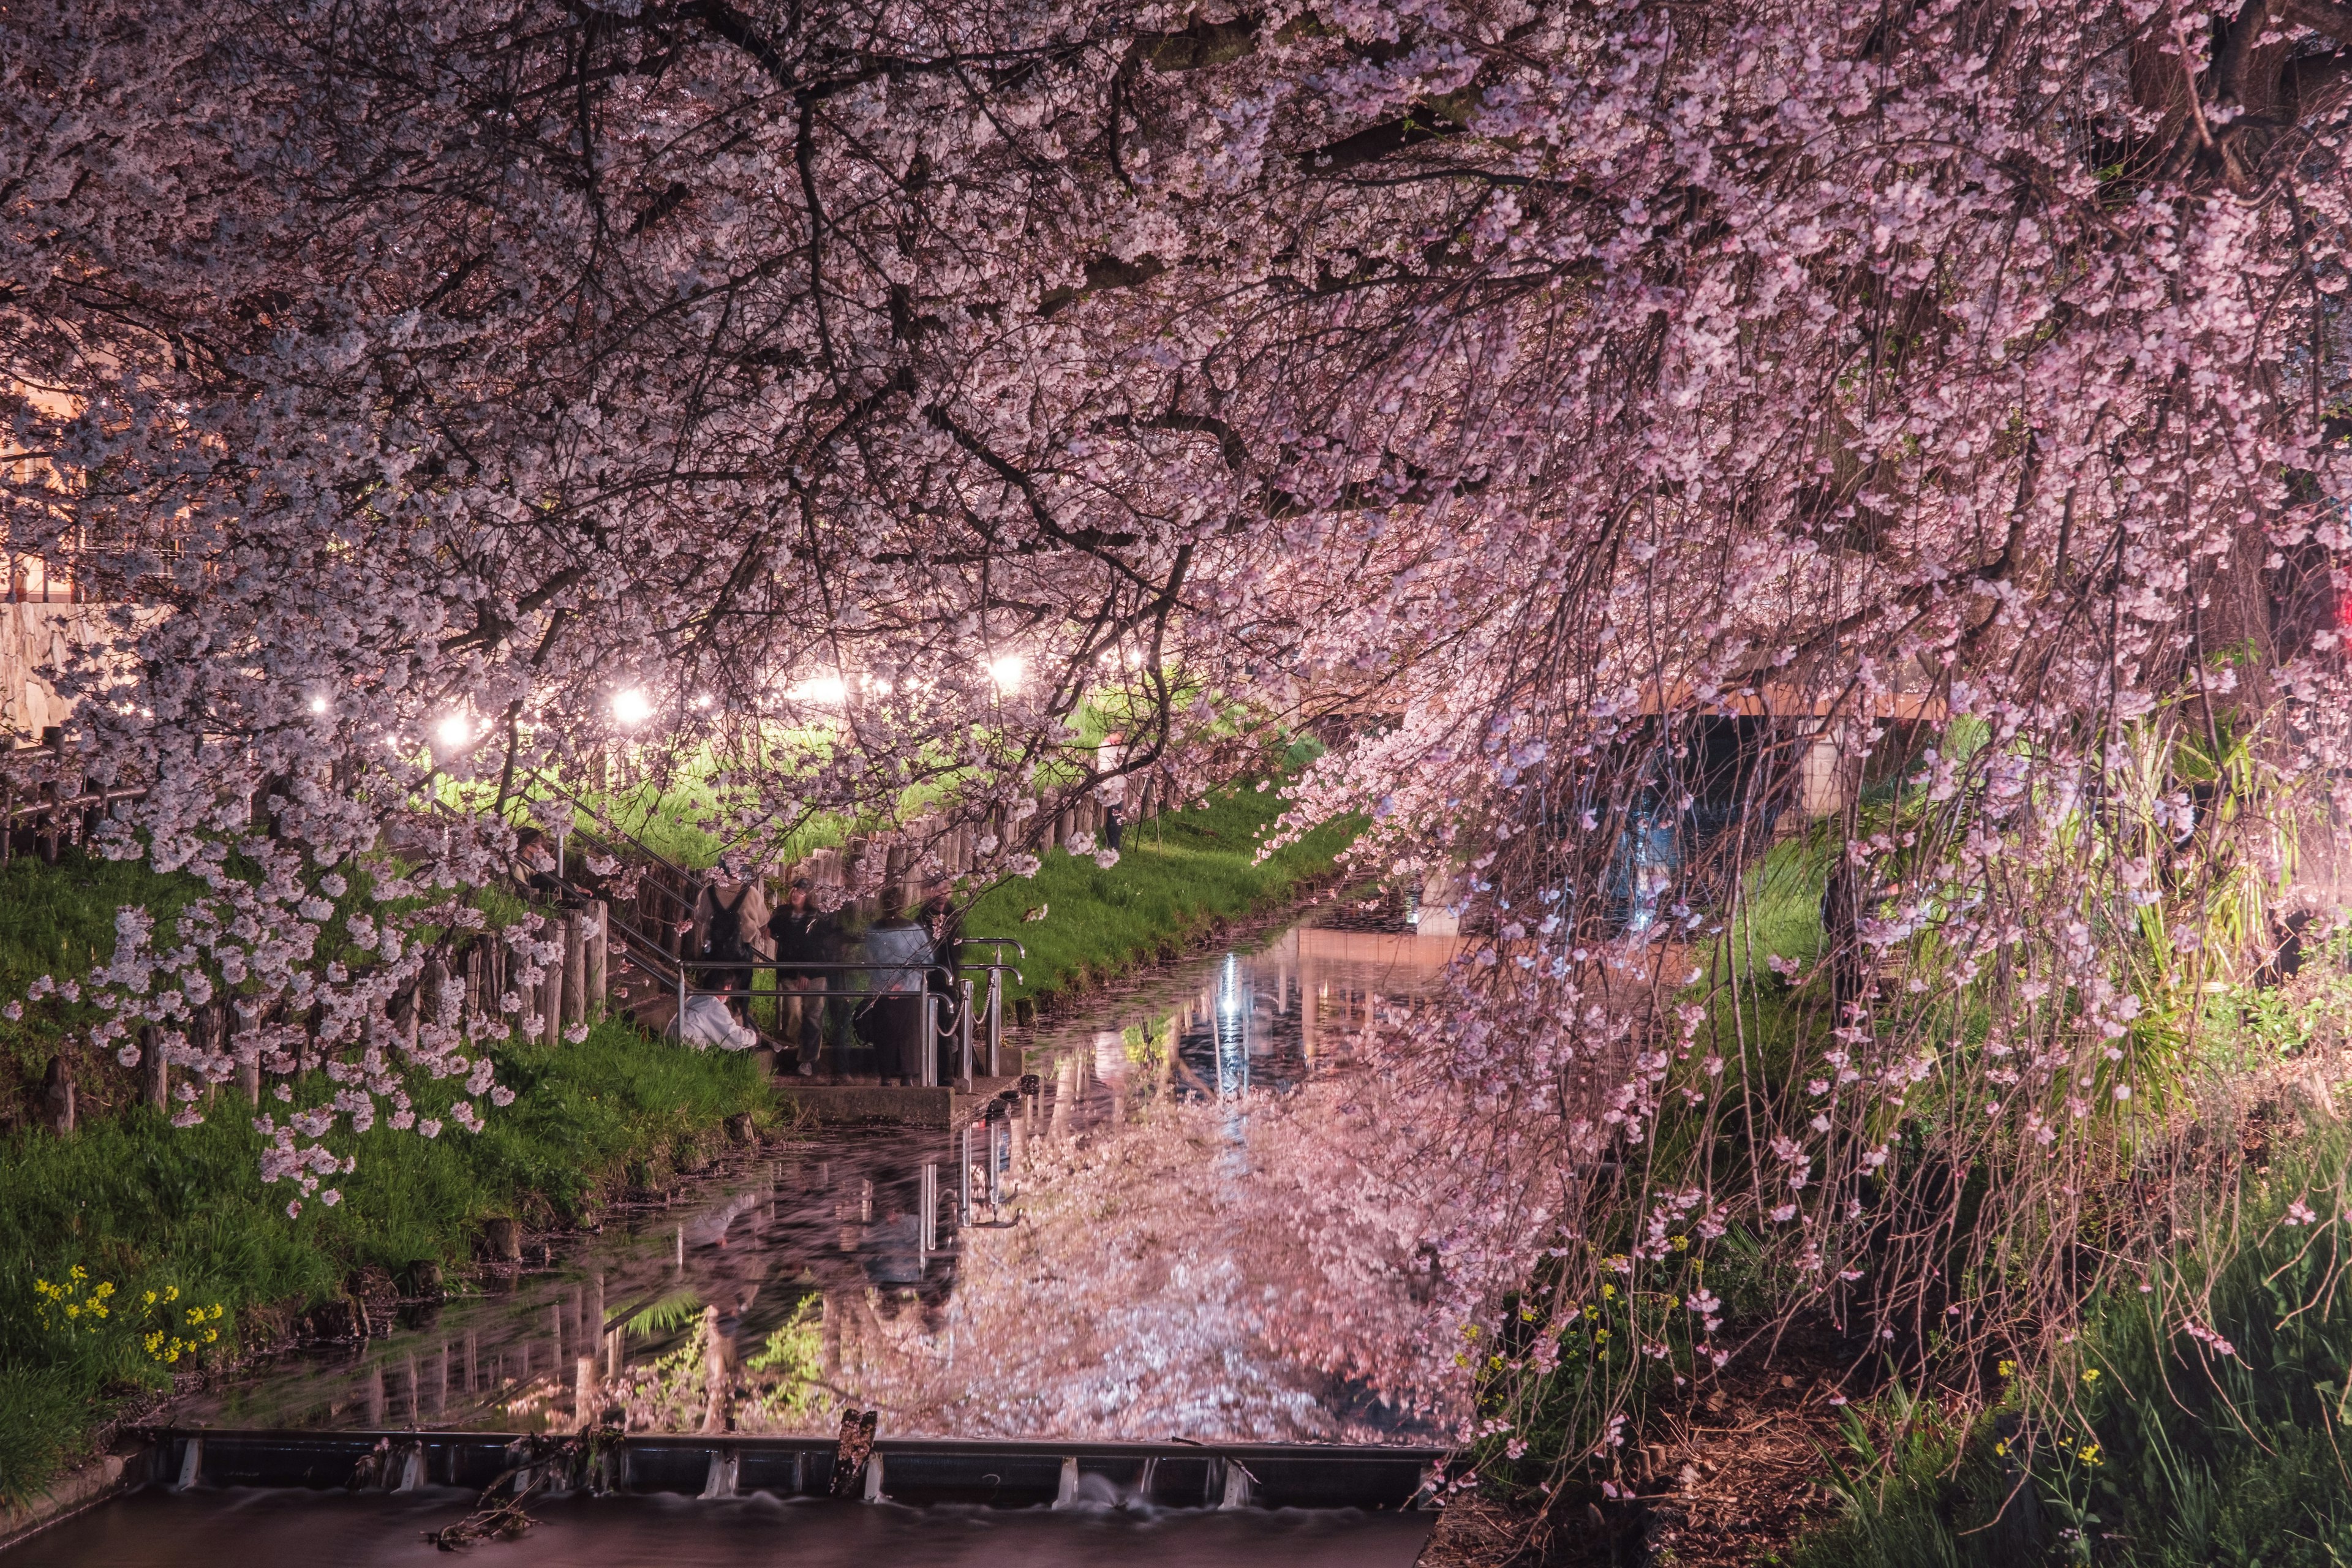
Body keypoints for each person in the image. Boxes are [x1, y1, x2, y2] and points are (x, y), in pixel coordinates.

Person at [768, 878, 832, 1075]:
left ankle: (808, 1060)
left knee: (813, 1017)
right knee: (792, 1012)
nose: (795, 893)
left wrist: (806, 972)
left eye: (801, 891)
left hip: (815, 974)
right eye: (794, 889)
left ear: (809, 896)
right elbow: (774, 930)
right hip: (789, 972)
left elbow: (817, 947)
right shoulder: (783, 913)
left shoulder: (817, 917)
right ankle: (786, 1041)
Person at [1096, 730, 1128, 853]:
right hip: (1111, 788)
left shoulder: (1108, 747)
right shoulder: (1109, 748)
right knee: (1115, 817)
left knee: (1117, 816)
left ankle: (1114, 842)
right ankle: (1114, 844)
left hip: (1114, 787)